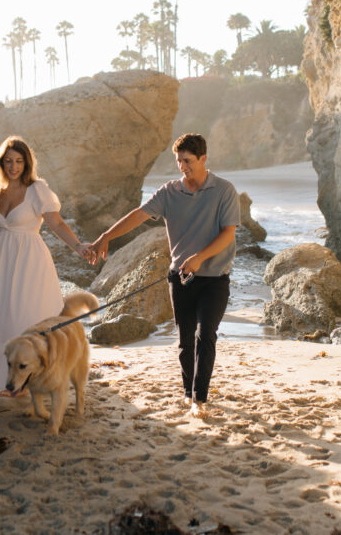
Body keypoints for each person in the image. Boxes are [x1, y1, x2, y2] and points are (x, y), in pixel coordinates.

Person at [86, 133, 240, 419]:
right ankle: (187, 392)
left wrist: (199, 258)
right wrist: (106, 236)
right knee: (185, 341)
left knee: (205, 335)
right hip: (180, 279)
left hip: (215, 278)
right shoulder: (169, 193)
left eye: (188, 160)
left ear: (204, 159)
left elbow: (228, 234)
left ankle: (199, 399)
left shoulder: (224, 191)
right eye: (179, 161)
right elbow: (138, 216)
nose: (183, 166)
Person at [0, 136, 88, 393]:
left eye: (19, 161)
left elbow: (56, 223)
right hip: (4, 264)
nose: (14, 167)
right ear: (1, 163)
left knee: (25, 315)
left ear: (27, 163)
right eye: (9, 161)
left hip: (32, 262)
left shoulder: (37, 190)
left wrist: (78, 246)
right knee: (3, 317)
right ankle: (6, 380)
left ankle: (32, 380)